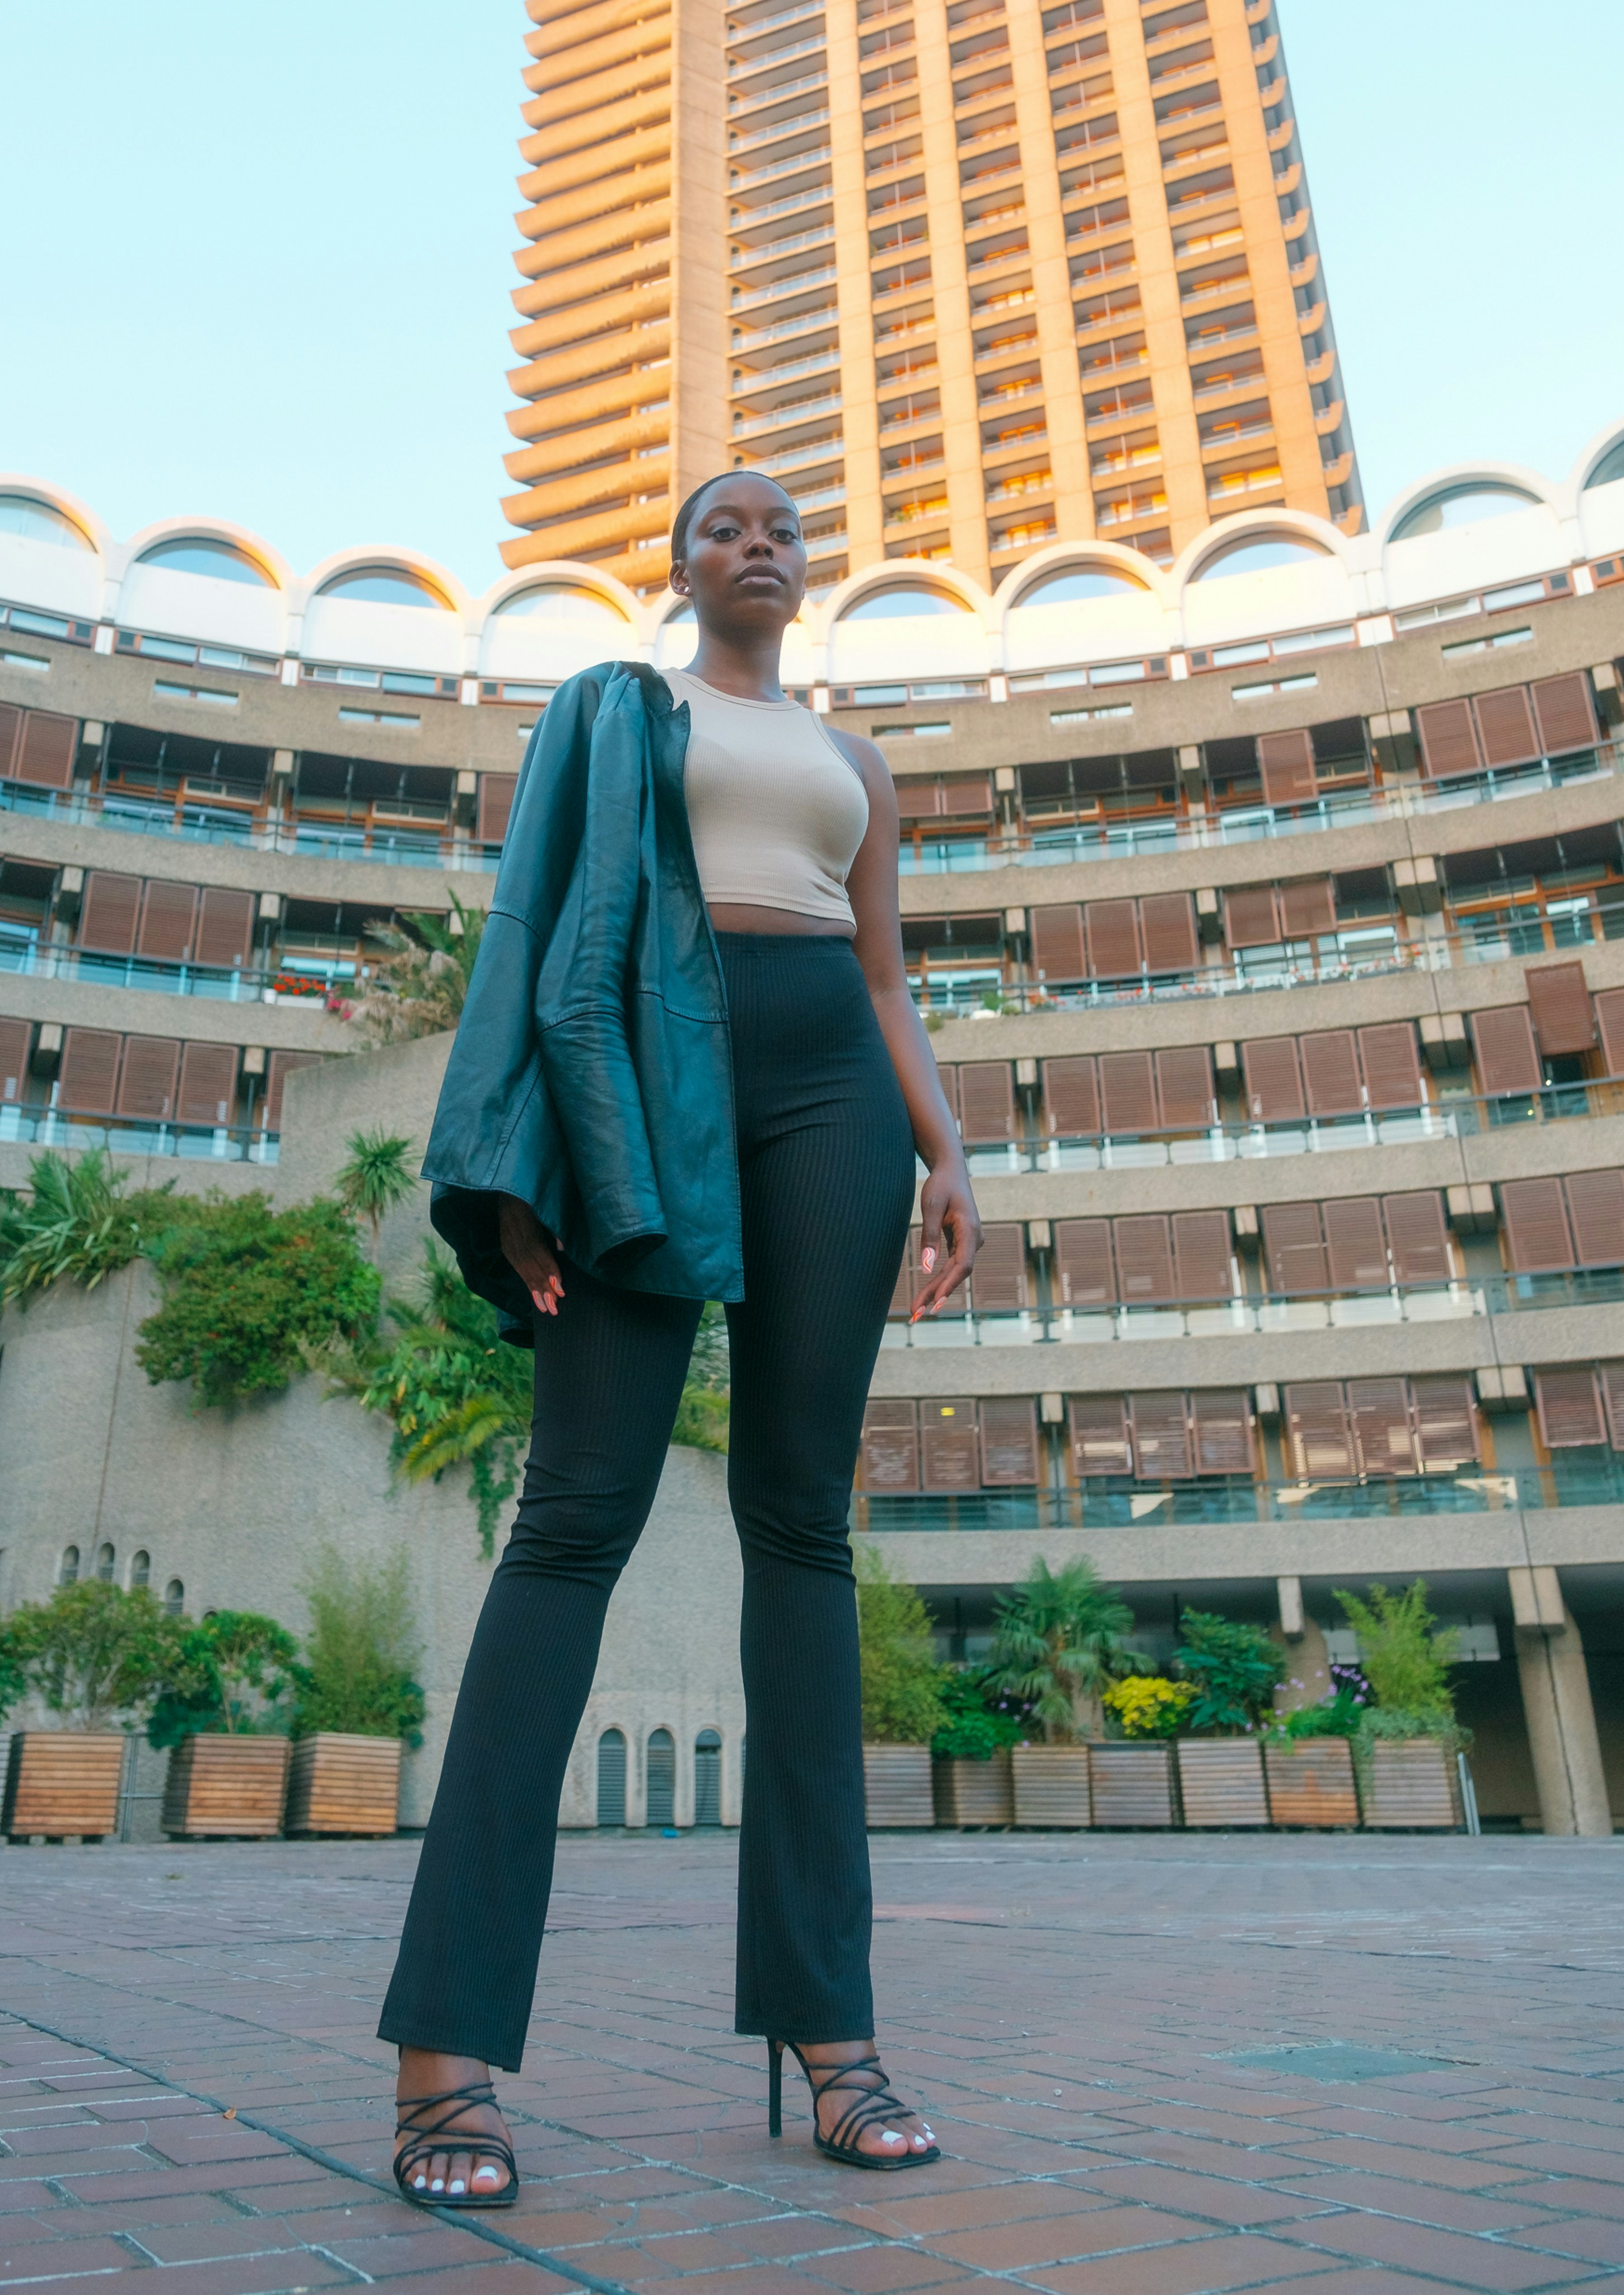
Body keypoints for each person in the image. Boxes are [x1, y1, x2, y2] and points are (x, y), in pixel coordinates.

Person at [381, 470, 982, 2206]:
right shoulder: (621, 715)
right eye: (724, 525)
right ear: (680, 569)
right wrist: (517, 1161)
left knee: (801, 1530)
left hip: (830, 1100)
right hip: (642, 1079)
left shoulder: (857, 768)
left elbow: (884, 982)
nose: (761, 541)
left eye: (786, 524)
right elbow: (536, 923)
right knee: (573, 1522)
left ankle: (833, 2030)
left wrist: (947, 1150)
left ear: (811, 569)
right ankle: (443, 2054)